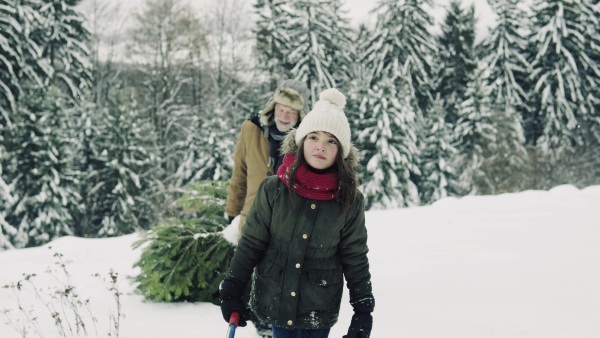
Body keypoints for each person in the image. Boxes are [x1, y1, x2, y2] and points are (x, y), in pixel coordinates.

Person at [219, 88, 375, 338]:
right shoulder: (273, 190)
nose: (321, 147)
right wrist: (232, 289)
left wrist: (363, 311)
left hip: (319, 308)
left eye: (331, 140)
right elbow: (251, 243)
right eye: (313, 137)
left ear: (341, 151)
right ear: (301, 141)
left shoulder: (350, 200)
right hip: (276, 301)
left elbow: (355, 257)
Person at [226, 80, 310, 232]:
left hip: (290, 228)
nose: (284, 116)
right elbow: (240, 173)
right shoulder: (251, 129)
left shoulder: (308, 141)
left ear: (300, 115)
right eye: (280, 109)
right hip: (252, 221)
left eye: (291, 111)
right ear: (273, 107)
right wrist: (232, 211)